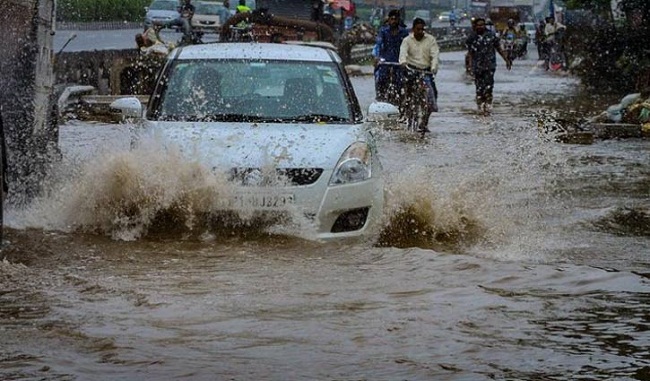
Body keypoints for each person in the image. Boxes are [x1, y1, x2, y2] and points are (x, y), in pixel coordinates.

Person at [398, 17, 440, 133]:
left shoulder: (430, 40)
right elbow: (403, 52)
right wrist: (403, 62)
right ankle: (405, 112)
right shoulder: (407, 40)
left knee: (431, 98)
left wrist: (433, 67)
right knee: (405, 93)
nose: (420, 32)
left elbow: (435, 55)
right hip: (411, 70)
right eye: (418, 29)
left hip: (426, 72)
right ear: (413, 29)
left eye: (422, 29)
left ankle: (424, 123)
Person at [465, 17, 512, 115]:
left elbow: (498, 48)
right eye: (479, 25)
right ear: (475, 26)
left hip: (489, 65)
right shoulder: (472, 37)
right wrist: (469, 67)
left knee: (489, 87)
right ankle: (480, 106)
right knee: (479, 87)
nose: (481, 26)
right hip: (477, 66)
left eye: (483, 25)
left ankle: (487, 106)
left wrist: (506, 60)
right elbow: (469, 53)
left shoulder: (491, 36)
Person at [372, 9, 409, 107]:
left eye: (395, 19)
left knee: (403, 81)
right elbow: (379, 44)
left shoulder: (404, 32)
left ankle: (403, 101)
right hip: (385, 62)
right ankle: (379, 97)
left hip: (399, 62)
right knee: (379, 78)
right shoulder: (383, 31)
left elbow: (408, 46)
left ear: (398, 20)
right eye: (391, 19)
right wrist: (377, 57)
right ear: (389, 20)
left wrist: (407, 59)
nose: (393, 21)